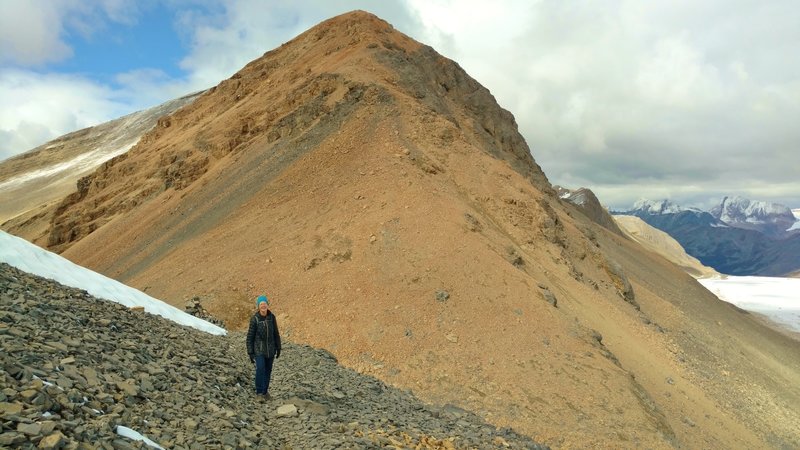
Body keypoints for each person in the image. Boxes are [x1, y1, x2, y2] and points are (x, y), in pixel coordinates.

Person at [246, 295, 281, 400]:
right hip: (259, 349)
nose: (263, 306)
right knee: (260, 369)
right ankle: (259, 392)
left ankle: (265, 392)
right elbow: (250, 337)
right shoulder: (255, 319)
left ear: (267, 305)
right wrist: (250, 352)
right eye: (261, 304)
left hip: (270, 349)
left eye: (265, 304)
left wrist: (278, 347)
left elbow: (276, 333)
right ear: (258, 306)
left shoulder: (272, 317)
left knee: (268, 370)